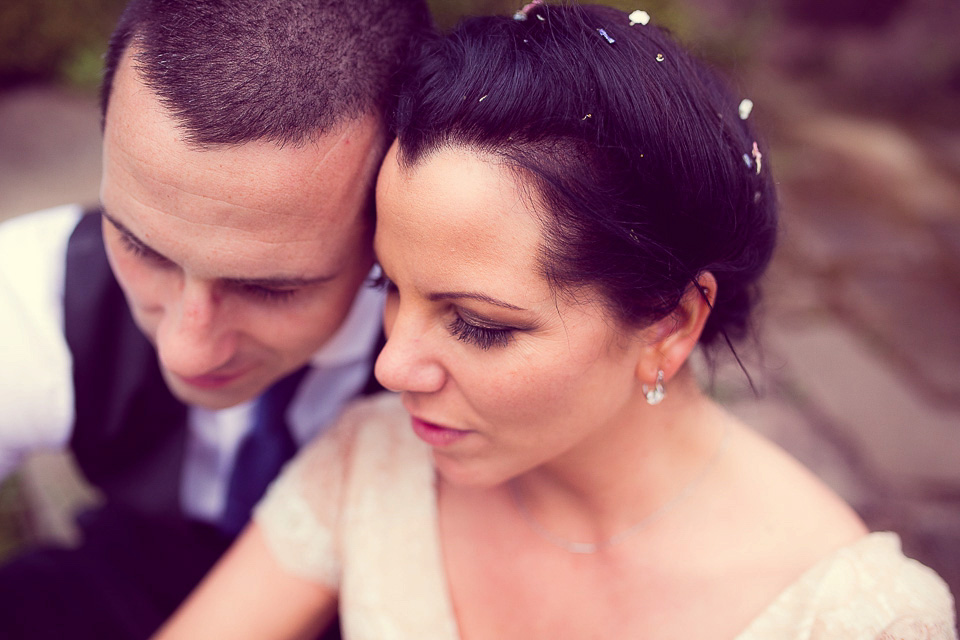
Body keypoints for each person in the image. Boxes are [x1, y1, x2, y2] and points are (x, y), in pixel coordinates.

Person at [156, 3, 957, 639]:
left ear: (671, 325)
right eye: (390, 285)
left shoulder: (852, 617)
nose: (391, 367)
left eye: (477, 323)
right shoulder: (373, 465)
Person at [0, 0, 430, 638]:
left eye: (268, 288)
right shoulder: (34, 289)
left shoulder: (482, 337)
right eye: (141, 247)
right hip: (130, 586)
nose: (186, 350)